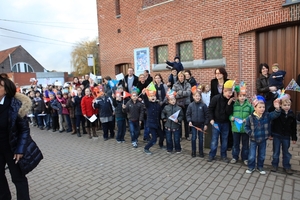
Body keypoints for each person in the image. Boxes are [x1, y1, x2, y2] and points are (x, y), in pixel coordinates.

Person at [0, 73, 42, 200]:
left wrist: (20, 149)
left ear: (6, 89)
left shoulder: (16, 105)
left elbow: (24, 130)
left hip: (12, 148)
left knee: (18, 178)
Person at [244, 95, 281, 175]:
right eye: (260, 107)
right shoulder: (250, 118)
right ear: (255, 108)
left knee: (262, 155)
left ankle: (260, 167)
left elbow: (275, 114)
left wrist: (277, 108)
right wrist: (251, 133)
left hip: (263, 139)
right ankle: (251, 167)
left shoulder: (267, 116)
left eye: (263, 107)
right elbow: (246, 127)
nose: (262, 109)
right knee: (251, 155)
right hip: (253, 140)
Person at [207, 80, 235, 163]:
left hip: (225, 123)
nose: (230, 95)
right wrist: (211, 119)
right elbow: (210, 109)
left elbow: (229, 113)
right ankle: (212, 155)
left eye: (231, 93)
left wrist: (229, 104)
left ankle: (224, 155)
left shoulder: (230, 100)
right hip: (216, 122)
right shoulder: (216, 98)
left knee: (224, 140)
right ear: (224, 91)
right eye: (228, 93)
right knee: (214, 140)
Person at [270, 95, 297, 175]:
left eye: (288, 105)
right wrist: (275, 105)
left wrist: (294, 137)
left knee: (286, 152)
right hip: (277, 135)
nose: (287, 107)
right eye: (285, 105)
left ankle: (287, 166)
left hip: (286, 136)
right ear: (281, 105)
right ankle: (274, 165)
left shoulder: (292, 115)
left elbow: (293, 127)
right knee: (276, 151)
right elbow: (271, 116)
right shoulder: (278, 112)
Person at [229, 83, 253, 165]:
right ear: (238, 97)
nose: (242, 97)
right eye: (240, 96)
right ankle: (235, 157)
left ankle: (245, 158)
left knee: (245, 144)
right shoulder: (234, 105)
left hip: (245, 129)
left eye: (244, 96)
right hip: (236, 128)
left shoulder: (249, 106)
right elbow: (230, 114)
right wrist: (231, 117)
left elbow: (252, 114)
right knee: (235, 144)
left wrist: (247, 119)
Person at [210, 67, 233, 150]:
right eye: (216, 73)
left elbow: (232, 93)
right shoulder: (213, 82)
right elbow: (212, 94)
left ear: (223, 74)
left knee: (227, 125)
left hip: (226, 104)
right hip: (216, 104)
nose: (217, 75)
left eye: (219, 73)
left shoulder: (228, 82)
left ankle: (229, 145)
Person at [186, 90, 209, 158]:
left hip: (201, 125)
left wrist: (206, 124)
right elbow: (188, 114)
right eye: (196, 96)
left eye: (199, 96)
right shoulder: (190, 105)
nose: (197, 97)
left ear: (200, 97)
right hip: (193, 125)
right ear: (193, 97)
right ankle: (193, 151)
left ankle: (201, 152)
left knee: (201, 139)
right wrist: (189, 121)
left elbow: (207, 115)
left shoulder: (203, 105)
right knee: (193, 138)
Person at [172, 71, 191, 140]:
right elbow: (174, 94)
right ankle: (179, 135)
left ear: (184, 77)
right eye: (179, 76)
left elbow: (189, 93)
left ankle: (187, 135)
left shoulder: (188, 84)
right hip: (179, 104)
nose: (181, 77)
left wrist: (179, 92)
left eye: (182, 76)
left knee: (186, 120)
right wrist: (182, 94)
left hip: (186, 104)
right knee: (179, 120)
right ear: (178, 77)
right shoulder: (175, 85)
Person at [142, 89, 161, 155]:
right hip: (151, 124)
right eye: (151, 96)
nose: (153, 97)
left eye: (154, 96)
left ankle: (161, 145)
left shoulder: (157, 105)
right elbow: (145, 100)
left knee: (161, 135)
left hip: (157, 124)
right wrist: (144, 94)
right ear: (148, 98)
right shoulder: (148, 104)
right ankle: (146, 148)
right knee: (154, 139)